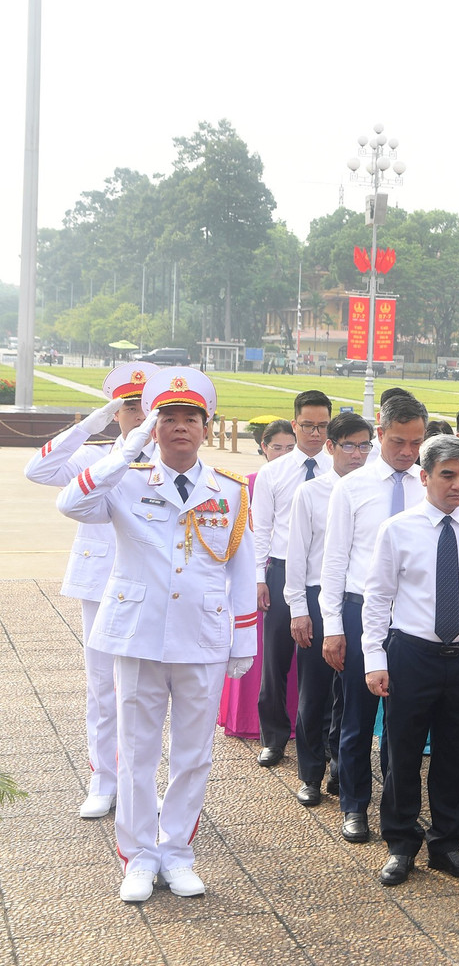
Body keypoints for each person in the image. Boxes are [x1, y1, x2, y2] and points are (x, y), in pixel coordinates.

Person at [57, 368, 257, 903]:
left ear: (206, 427)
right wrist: (126, 451)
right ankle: (139, 857)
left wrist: (243, 641)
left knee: (194, 755)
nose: (179, 427)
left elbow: (241, 568)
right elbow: (70, 504)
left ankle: (177, 853)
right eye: (168, 418)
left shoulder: (230, 491)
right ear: (153, 425)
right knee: (138, 753)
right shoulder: (124, 479)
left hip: (203, 636)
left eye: (190, 418)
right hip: (139, 634)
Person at [363, 435, 459, 886]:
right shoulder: (398, 528)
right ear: (424, 477)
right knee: (401, 754)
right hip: (412, 655)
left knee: (456, 755)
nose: (458, 485)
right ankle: (401, 843)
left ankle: (447, 844)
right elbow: (378, 597)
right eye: (447, 475)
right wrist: (373, 657)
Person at [24, 361, 153, 818]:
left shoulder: (169, 461)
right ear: (115, 412)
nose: (139, 414)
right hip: (101, 585)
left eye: (144, 405)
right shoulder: (95, 455)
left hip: (151, 589)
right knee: (103, 687)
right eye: (128, 406)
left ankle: (141, 783)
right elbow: (38, 470)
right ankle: (104, 780)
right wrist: (92, 423)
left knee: (145, 693)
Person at [321, 393, 429, 845]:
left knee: (401, 721)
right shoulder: (353, 487)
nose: (407, 451)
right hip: (360, 606)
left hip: (411, 615)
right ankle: (353, 805)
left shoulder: (429, 484)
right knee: (358, 717)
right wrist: (332, 626)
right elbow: (335, 559)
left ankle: (397, 808)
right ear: (380, 434)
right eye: (399, 441)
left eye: (416, 442)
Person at [283, 412, 374, 806]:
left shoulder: (376, 489)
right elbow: (296, 554)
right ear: (330, 447)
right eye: (349, 446)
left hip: (357, 600)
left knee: (349, 694)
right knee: (315, 692)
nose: (358, 454)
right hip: (318, 597)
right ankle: (311, 774)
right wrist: (297, 609)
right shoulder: (312, 492)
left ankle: (341, 764)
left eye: (364, 445)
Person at [251, 389, 331, 767]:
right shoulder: (274, 472)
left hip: (325, 575)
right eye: (308, 425)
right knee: (276, 659)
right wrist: (259, 577)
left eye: (323, 426)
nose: (315, 433)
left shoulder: (340, 471)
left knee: (322, 664)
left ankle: (322, 742)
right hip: (281, 570)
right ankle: (275, 736)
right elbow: (261, 528)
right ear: (294, 423)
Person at [218, 421, 295, 740]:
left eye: (290, 448)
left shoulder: (303, 482)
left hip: (284, 577)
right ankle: (246, 719)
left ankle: (290, 720)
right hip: (253, 578)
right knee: (252, 651)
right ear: (263, 447)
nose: (283, 453)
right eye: (277, 447)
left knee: (283, 658)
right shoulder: (243, 485)